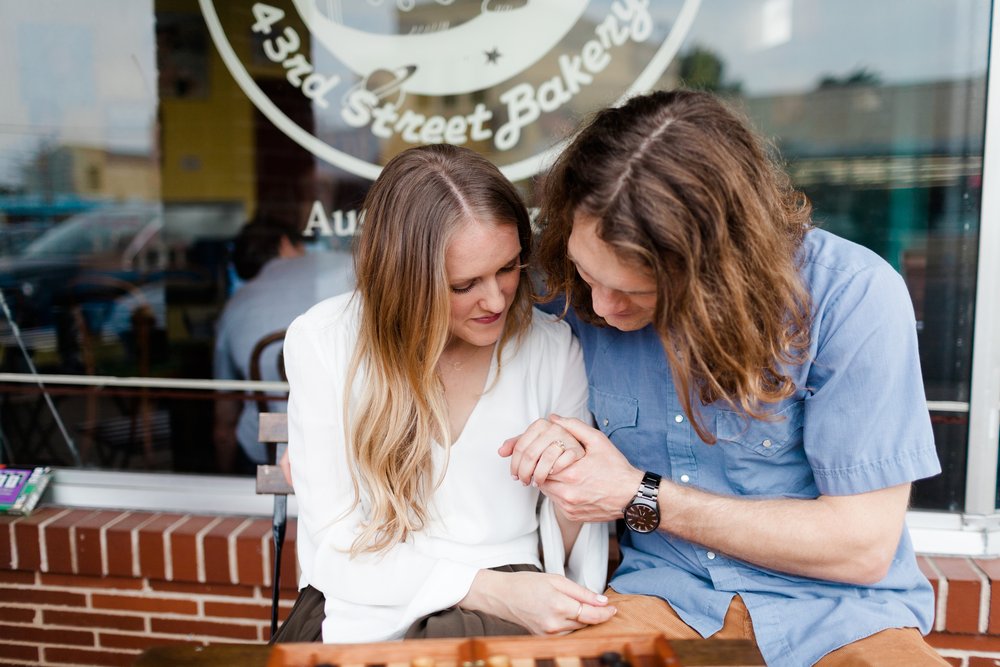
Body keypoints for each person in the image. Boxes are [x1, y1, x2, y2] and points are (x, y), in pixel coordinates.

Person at [502, 90, 945, 666]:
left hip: (845, 618)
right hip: (662, 600)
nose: (602, 308)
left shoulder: (852, 296)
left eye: (637, 292)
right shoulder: (567, 292)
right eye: (588, 274)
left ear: (717, 272)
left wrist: (641, 496)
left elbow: (859, 547)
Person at [276, 144, 613, 643]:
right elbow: (333, 547)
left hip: (516, 598)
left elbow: (566, 545)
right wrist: (483, 588)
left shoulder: (550, 347)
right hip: (366, 604)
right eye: (464, 285)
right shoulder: (325, 342)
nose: (496, 299)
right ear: (406, 278)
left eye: (508, 267)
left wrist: (567, 478)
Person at [213, 216, 354, 472]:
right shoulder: (344, 268)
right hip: (349, 444)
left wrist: (225, 478)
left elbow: (225, 416)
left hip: (267, 451)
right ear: (285, 242)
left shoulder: (234, 307)